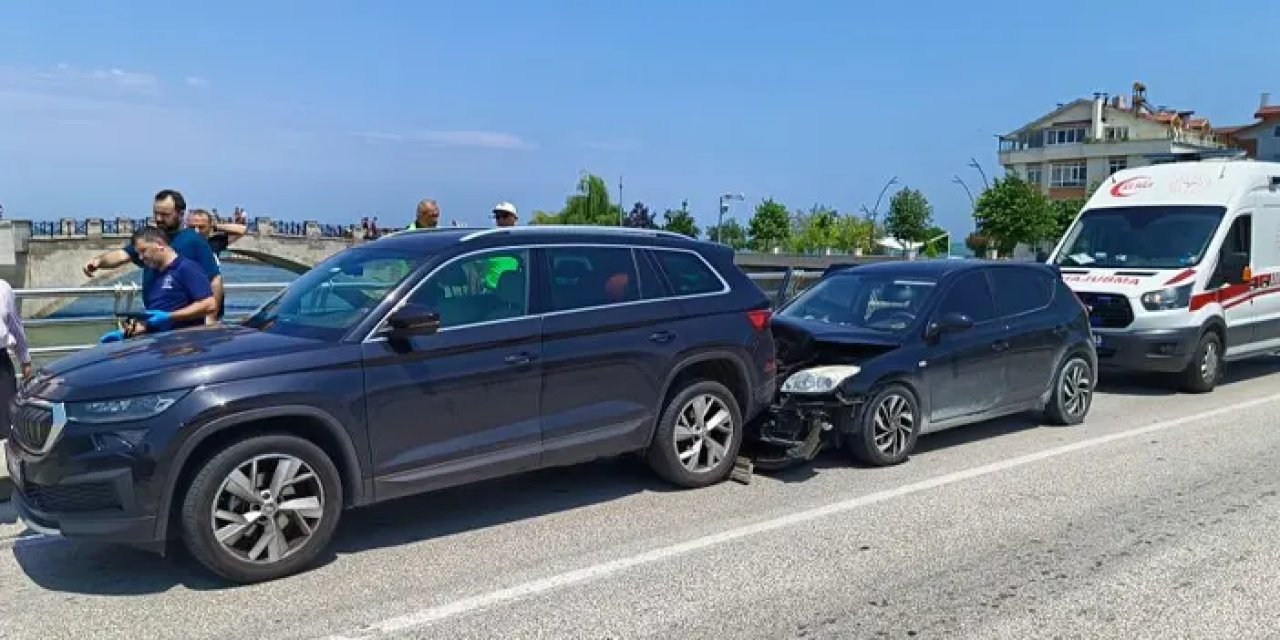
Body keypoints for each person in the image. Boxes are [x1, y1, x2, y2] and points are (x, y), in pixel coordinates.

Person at [82, 189, 222, 325]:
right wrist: (98, 261)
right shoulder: (150, 239)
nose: (159, 219)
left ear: (180, 214)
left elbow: (214, 280)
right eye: (156, 213)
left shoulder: (193, 240)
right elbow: (122, 255)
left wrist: (211, 318)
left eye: (165, 214)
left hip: (183, 323)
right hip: (157, 318)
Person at [99, 227, 217, 343]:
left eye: (143, 250)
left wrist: (170, 316)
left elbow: (209, 304)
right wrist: (126, 333)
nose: (140, 257)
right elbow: (156, 319)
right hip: (159, 345)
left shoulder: (186, 268)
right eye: (138, 253)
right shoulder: (153, 274)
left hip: (185, 344)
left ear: (159, 244)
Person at [187, 208, 247, 319]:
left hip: (214, 305)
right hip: (192, 304)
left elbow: (242, 230)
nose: (196, 231)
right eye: (192, 227)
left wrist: (215, 226)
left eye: (201, 227)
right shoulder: (182, 243)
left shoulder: (215, 242)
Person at [0, 277, 32, 434]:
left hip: (1, 362)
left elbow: (15, 325)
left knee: (6, 423)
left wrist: (25, 359)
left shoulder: (3, 288)